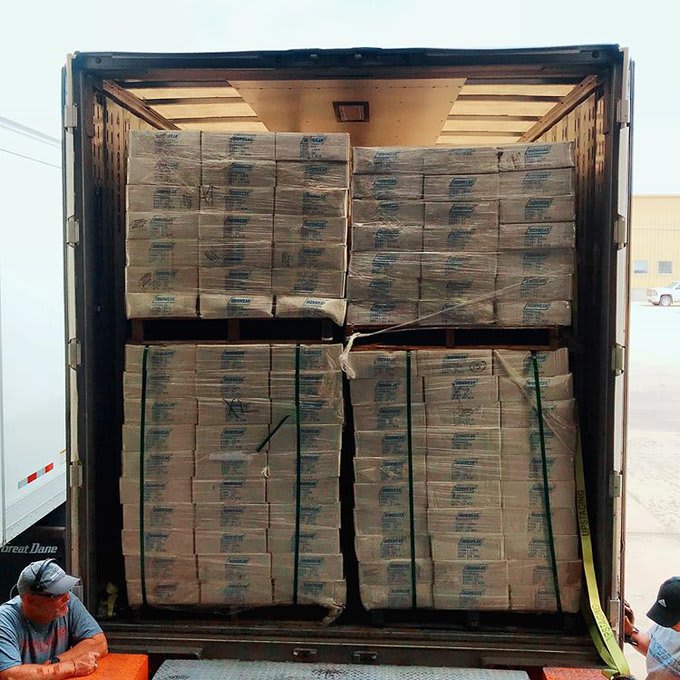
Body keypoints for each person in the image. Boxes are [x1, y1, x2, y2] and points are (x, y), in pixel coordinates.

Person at [0, 559, 108, 678]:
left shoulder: (68, 603)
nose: (67, 598)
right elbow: (9, 675)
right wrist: (72, 667)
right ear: (30, 600)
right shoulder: (4, 620)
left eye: (67, 590)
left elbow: (99, 642)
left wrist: (56, 662)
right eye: (57, 594)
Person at [625, 577, 680, 680]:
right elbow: (655, 651)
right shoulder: (667, 624)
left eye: (672, 620)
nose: (669, 625)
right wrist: (630, 633)